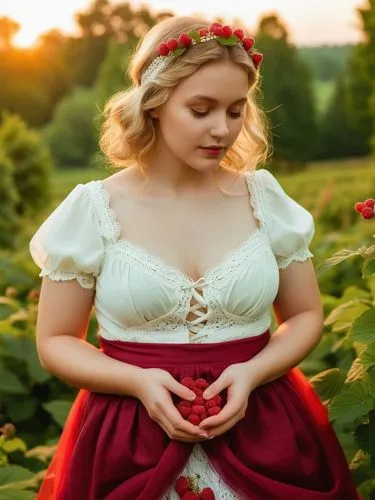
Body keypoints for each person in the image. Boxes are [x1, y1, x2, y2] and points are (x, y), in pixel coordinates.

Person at [29, 15, 359, 500]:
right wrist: (137, 382)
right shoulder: (94, 210)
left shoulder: (263, 200)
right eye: (201, 110)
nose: (222, 130)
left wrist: (254, 371)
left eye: (235, 110)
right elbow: (56, 340)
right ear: (155, 103)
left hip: (266, 430)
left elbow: (306, 315)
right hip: (128, 440)